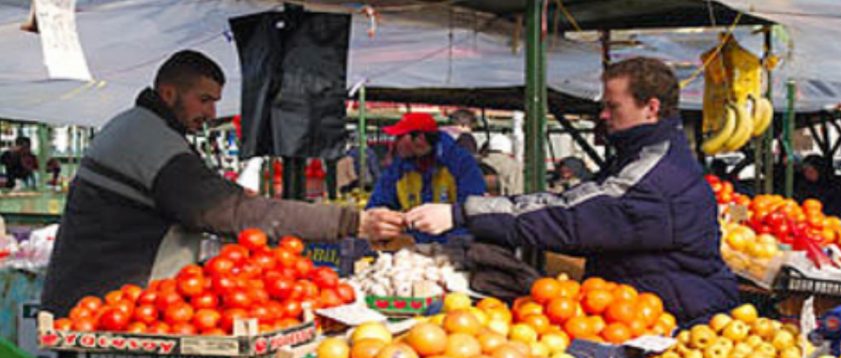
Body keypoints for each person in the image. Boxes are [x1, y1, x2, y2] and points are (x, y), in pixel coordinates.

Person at [42, 50, 404, 316]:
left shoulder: (138, 126)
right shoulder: (149, 139)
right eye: (203, 100)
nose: (211, 113)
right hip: (104, 305)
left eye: (214, 102)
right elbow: (227, 212)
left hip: (105, 299)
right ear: (168, 93)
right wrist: (349, 222)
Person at [407, 57, 739, 325]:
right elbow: (574, 202)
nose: (603, 115)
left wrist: (462, 213)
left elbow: (570, 217)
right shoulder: (641, 157)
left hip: (679, 318)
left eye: (613, 106)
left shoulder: (655, 175)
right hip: (640, 310)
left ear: (650, 108)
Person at [367, 112, 485, 243]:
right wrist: (379, 216)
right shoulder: (398, 167)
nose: (395, 143)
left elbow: (472, 211)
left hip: (454, 246)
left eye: (400, 137)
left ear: (420, 139)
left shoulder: (461, 163)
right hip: (412, 245)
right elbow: (378, 203)